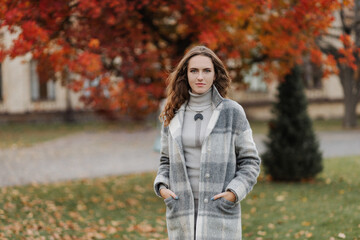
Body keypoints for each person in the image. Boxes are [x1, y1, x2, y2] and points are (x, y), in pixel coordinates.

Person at [153, 45, 261, 240]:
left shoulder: (232, 112)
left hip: (218, 210)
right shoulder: (172, 113)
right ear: (185, 74)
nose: (200, 77)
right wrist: (162, 188)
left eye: (206, 70)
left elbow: (251, 162)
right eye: (194, 71)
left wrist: (234, 193)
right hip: (181, 209)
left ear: (215, 74)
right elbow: (165, 161)